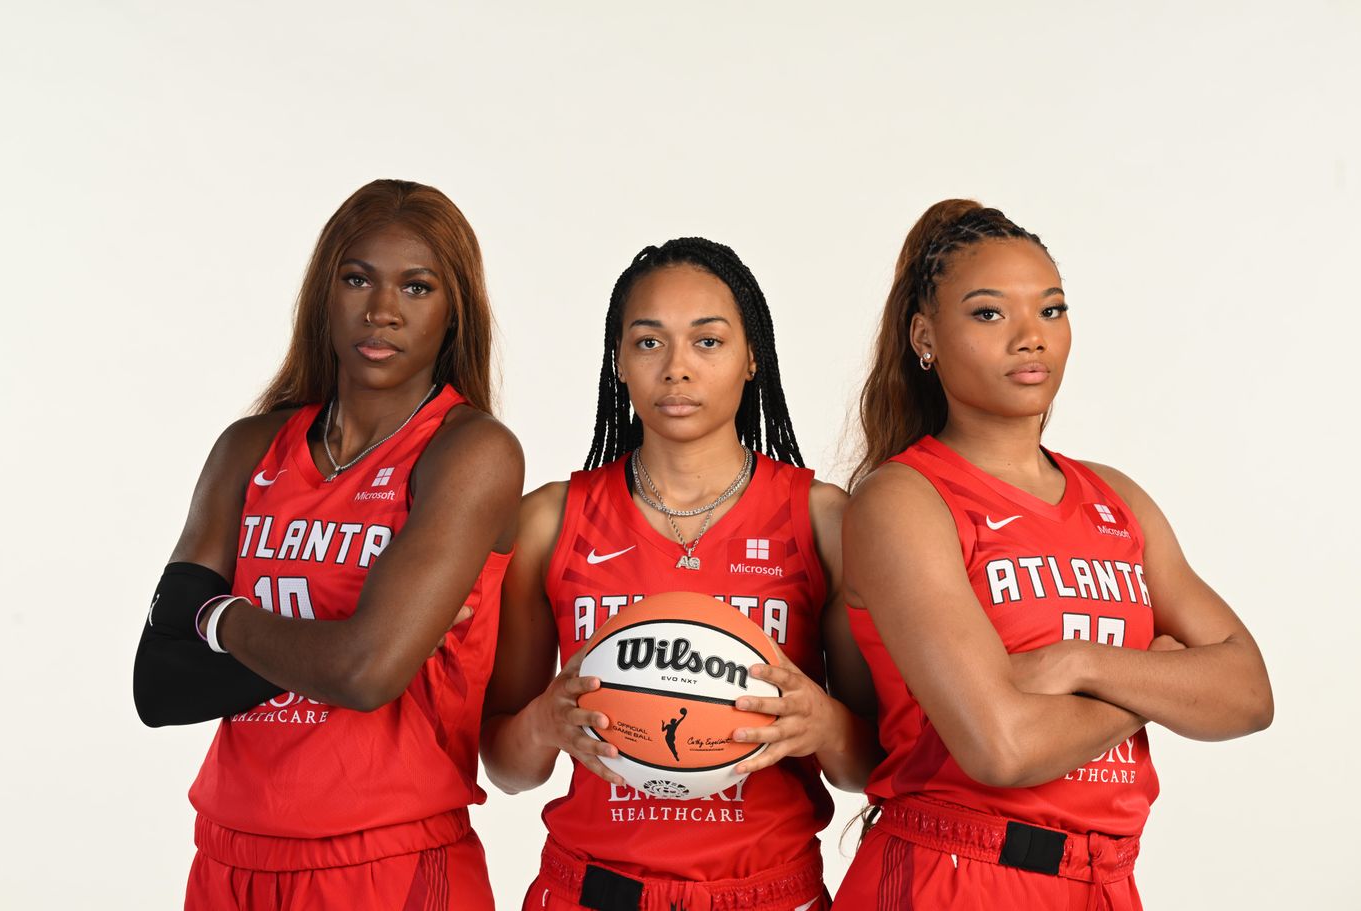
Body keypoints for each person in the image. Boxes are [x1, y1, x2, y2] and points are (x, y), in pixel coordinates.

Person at [833, 200, 1273, 909]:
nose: (1030, 338)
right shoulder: (904, 500)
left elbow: (1249, 694)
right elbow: (1000, 746)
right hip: (955, 877)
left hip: (1105, 880)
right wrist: (1158, 682)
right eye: (988, 314)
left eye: (1051, 309)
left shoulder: (1117, 497)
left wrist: (1084, 663)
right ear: (925, 336)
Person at [132, 179, 523, 910]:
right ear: (325, 295)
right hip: (227, 851)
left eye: (416, 286)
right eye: (357, 278)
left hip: (386, 859)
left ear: (453, 312)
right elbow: (159, 684)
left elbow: (367, 672)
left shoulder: (470, 452)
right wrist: (350, 641)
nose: (381, 310)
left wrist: (216, 619)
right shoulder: (249, 447)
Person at [480, 238, 880, 911]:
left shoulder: (822, 520)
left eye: (708, 341)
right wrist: (544, 723)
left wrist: (824, 725)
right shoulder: (550, 520)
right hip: (592, 890)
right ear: (619, 363)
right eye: (648, 342)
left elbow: (872, 765)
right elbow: (506, 766)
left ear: (752, 356)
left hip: (770, 893)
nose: (676, 369)